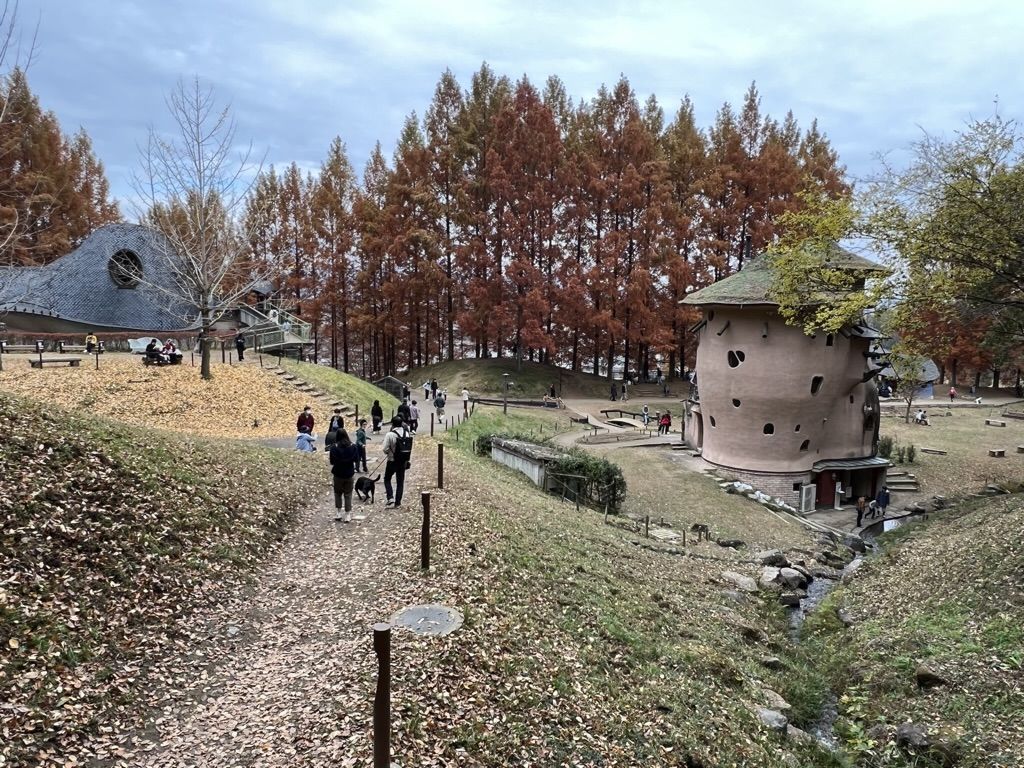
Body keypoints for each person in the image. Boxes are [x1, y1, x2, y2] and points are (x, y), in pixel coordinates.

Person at [330, 430, 360, 522]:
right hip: (349, 473)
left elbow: (332, 461)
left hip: (338, 473)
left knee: (337, 493)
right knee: (348, 494)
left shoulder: (334, 447)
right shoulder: (353, 446)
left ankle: (338, 512)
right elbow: (357, 459)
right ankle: (347, 514)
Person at [382, 416, 412, 508]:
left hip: (392, 460)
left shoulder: (390, 434)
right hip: (403, 461)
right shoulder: (406, 433)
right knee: (400, 482)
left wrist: (389, 453)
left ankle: (390, 497)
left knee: (387, 479)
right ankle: (398, 502)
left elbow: (385, 448)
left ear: (392, 424)